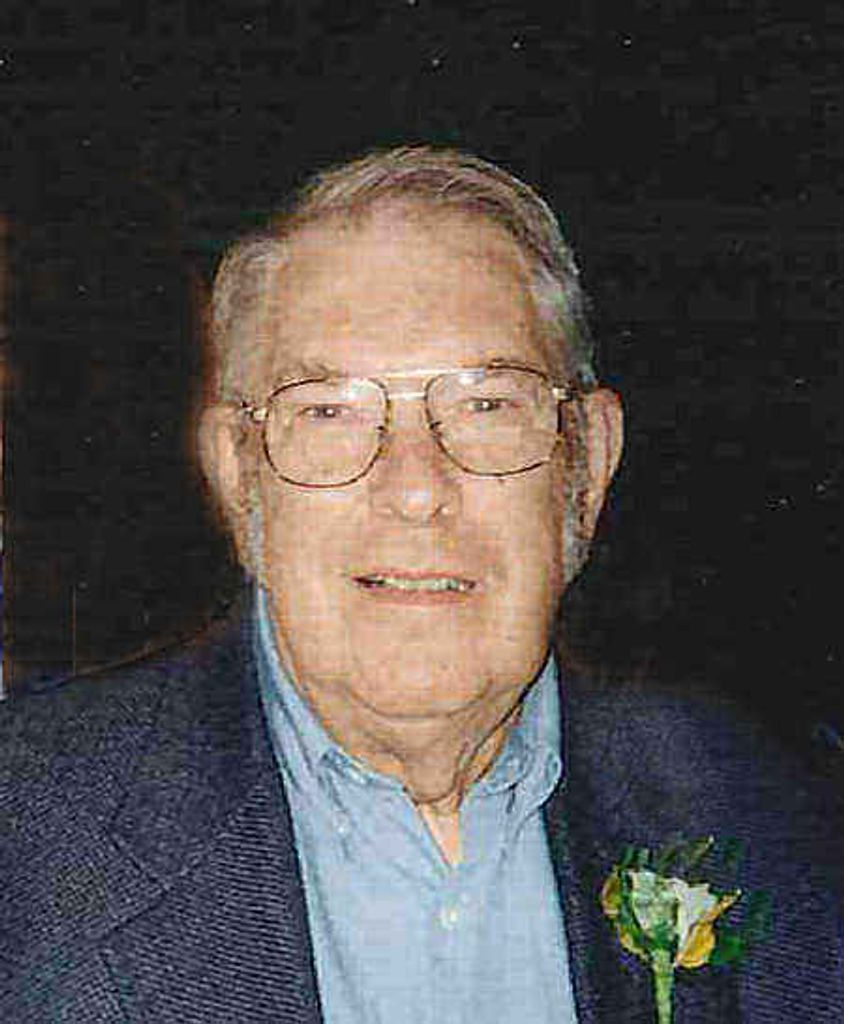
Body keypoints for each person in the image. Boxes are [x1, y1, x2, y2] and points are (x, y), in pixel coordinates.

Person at [1, 147, 840, 1023]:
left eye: (487, 405)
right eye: (329, 411)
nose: (414, 489)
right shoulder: (25, 834)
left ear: (587, 466)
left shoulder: (782, 816)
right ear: (238, 476)